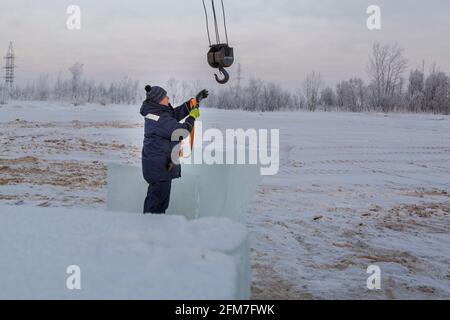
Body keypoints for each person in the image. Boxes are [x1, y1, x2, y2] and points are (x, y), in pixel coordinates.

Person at [140, 85, 209, 214]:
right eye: (165, 96)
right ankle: (149, 229)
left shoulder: (157, 113)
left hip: (159, 167)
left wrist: (193, 102)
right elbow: (181, 132)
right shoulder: (159, 119)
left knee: (157, 203)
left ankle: (152, 228)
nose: (168, 98)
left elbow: (174, 114)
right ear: (158, 100)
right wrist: (192, 117)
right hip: (159, 169)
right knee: (156, 206)